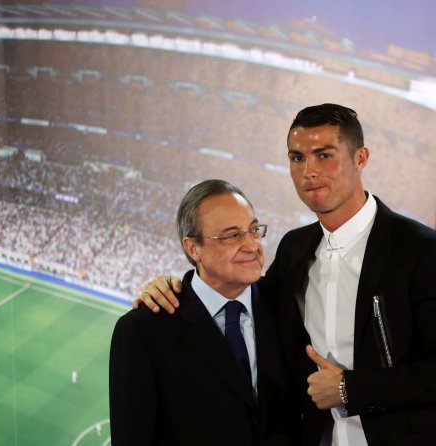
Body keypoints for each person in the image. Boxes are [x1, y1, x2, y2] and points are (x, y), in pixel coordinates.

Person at [136, 104, 436, 446]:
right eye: (297, 158)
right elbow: (247, 297)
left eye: (324, 155)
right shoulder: (295, 248)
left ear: (360, 158)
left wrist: (348, 389)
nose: (309, 171)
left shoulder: (421, 251)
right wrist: (174, 287)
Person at [110, 180, 299, 445]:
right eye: (232, 235)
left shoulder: (284, 306)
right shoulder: (144, 330)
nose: (252, 245)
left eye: (254, 230)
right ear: (193, 248)